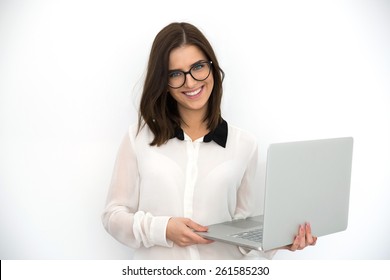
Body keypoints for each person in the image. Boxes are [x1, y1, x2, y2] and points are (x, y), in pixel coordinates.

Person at [101, 22, 317, 259]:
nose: (191, 82)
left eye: (198, 67)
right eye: (175, 74)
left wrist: (278, 241)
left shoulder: (245, 144)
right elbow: (113, 216)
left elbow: (243, 236)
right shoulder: (138, 138)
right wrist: (163, 229)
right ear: (163, 82)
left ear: (212, 68)